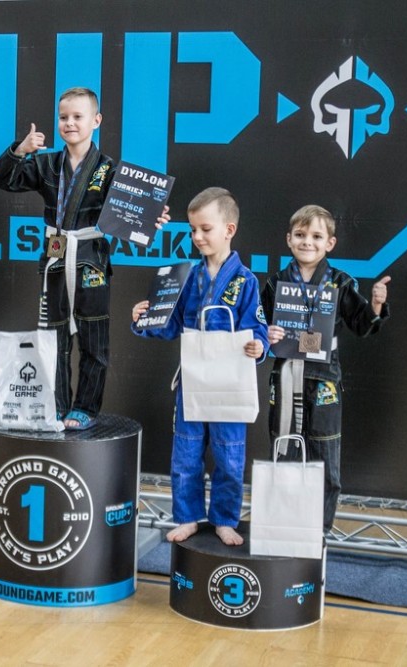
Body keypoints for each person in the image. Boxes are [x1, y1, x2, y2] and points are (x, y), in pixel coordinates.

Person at [0, 86, 168, 430]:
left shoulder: (109, 170)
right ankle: (57, 406)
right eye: (63, 117)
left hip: (91, 261)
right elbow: (3, 179)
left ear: (96, 121)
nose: (70, 123)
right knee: (54, 338)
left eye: (77, 116)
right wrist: (19, 150)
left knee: (93, 338)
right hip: (56, 259)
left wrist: (152, 217)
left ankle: (85, 407)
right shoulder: (45, 164)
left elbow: (134, 210)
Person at [130, 187, 268, 546]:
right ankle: (188, 516)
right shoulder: (187, 276)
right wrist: (144, 319)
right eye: (193, 230)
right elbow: (171, 325)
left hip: (230, 382)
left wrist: (259, 346)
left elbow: (258, 327)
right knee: (186, 453)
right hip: (192, 380)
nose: (197, 237)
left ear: (229, 229)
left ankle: (224, 519)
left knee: (230, 456)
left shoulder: (246, 280)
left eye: (205, 229)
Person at [261, 204, 390, 533]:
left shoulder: (340, 283)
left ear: (330, 243)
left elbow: (362, 325)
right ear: (289, 239)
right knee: (284, 448)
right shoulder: (275, 283)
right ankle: (282, 527)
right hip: (286, 375)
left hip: (324, 379)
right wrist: (265, 334)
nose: (308, 242)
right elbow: (258, 326)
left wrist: (376, 304)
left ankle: (319, 531)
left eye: (317, 236)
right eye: (300, 235)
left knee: (324, 452)